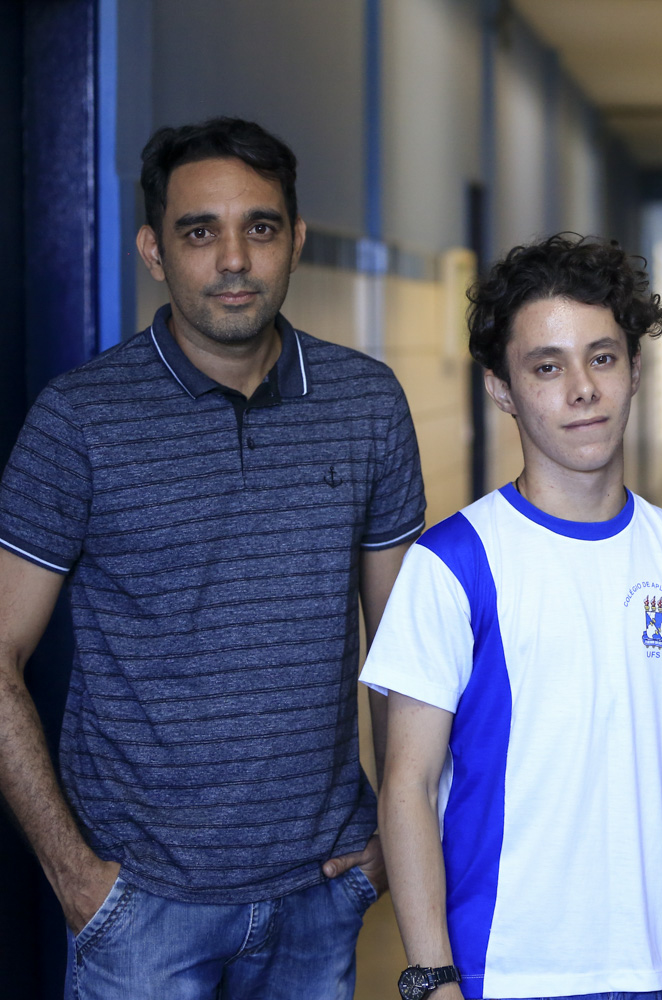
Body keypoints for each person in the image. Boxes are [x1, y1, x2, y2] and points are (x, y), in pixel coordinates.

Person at [0, 117, 425, 998]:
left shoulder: (366, 403)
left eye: (260, 227)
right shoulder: (80, 419)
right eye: (201, 231)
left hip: (319, 898)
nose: (234, 258)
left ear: (296, 241)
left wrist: (393, 837)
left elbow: (403, 649)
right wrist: (76, 878)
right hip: (142, 912)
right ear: (154, 249)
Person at [365, 234, 662, 1000]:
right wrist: (431, 977)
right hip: (494, 975)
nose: (582, 390)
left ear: (636, 372)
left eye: (602, 358)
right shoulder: (453, 566)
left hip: (649, 973)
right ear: (502, 389)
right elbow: (406, 783)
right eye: (547, 367)